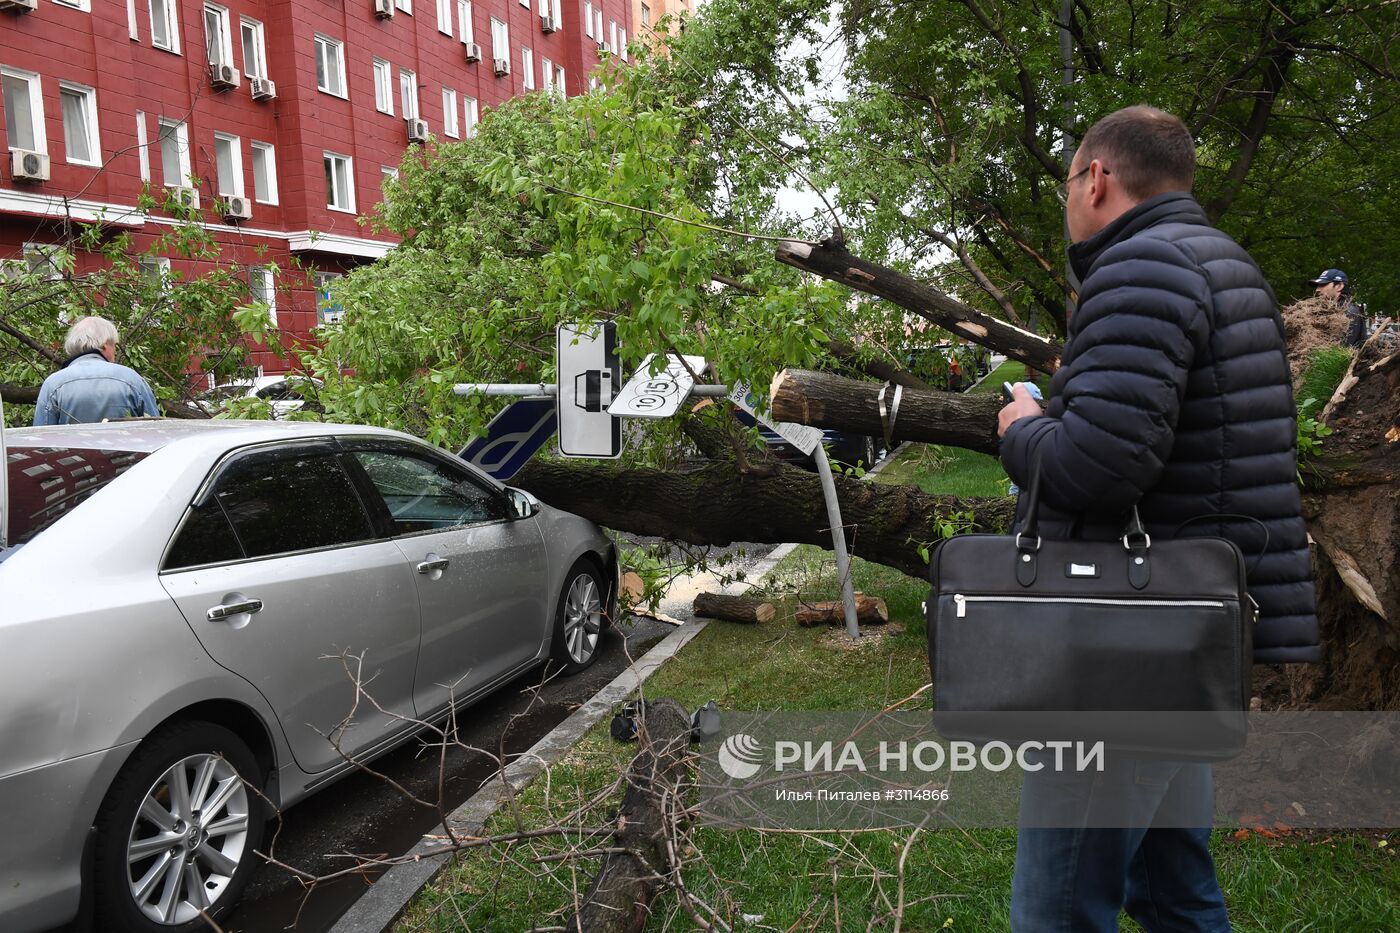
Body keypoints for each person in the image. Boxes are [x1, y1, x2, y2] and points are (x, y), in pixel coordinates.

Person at [996, 105, 1318, 931]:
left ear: (1097, 178)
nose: (1068, 201)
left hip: (1120, 658)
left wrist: (1023, 426)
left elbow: (1098, 467)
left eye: (1069, 181)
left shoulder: (1140, 268)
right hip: (1185, 640)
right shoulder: (1224, 263)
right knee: (1173, 892)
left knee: (1056, 909)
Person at [33, 316, 161, 425]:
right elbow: (155, 431)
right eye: (114, 345)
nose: (115, 351)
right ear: (105, 344)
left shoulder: (53, 384)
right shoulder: (131, 379)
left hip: (73, 455)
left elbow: (41, 439)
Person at [1308, 268, 1366, 348]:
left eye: (1323, 284)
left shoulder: (1349, 313)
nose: (1317, 289)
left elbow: (1340, 352)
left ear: (1339, 286)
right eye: (1318, 285)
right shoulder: (1328, 312)